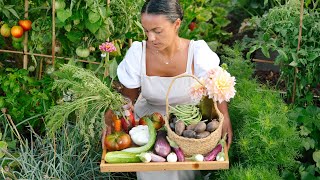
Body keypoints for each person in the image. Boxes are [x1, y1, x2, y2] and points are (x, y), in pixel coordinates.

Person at [104, 0, 233, 179]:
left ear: (176, 25)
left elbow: (217, 87)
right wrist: (114, 115)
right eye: (146, 31)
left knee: (184, 166)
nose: (151, 38)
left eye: (157, 31)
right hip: (149, 123)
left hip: (188, 124)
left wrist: (225, 117)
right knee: (155, 166)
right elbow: (128, 98)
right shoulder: (138, 53)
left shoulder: (197, 52)